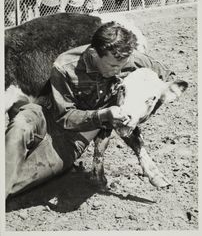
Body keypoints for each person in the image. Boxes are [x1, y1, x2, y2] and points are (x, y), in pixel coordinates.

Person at [6, 22, 173, 198]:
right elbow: (65, 117)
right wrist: (104, 115)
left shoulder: (131, 60)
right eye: (112, 66)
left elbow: (167, 78)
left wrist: (144, 110)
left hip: (73, 139)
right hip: (43, 115)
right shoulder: (65, 66)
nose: (118, 70)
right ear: (94, 54)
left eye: (122, 65)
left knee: (17, 182)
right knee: (20, 126)